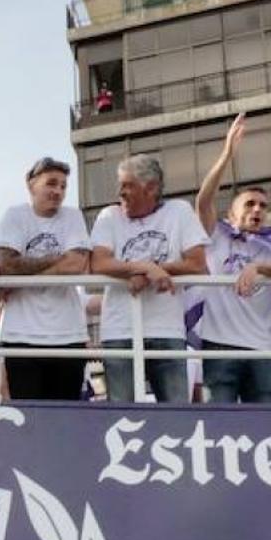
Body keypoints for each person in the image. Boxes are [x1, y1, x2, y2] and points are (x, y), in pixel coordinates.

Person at [192, 115, 271, 404]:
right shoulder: (217, 234)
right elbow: (203, 201)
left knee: (264, 426)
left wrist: (258, 267)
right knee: (220, 425)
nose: (257, 210)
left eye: (263, 206)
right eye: (250, 204)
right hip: (220, 346)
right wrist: (228, 153)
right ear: (231, 212)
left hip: (262, 347)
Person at [89, 153, 208, 403]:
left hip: (167, 329)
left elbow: (197, 264)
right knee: (120, 416)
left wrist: (148, 272)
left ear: (151, 187)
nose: (119, 191)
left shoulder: (179, 211)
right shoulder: (109, 215)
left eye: (127, 185)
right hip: (119, 330)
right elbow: (99, 262)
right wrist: (146, 268)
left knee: (176, 416)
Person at [0, 157, 94, 400]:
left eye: (63, 186)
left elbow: (76, 264)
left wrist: (23, 277)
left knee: (65, 422)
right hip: (21, 336)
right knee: (29, 422)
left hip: (68, 336)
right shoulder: (15, 215)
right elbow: (6, 264)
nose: (58, 191)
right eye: (51, 183)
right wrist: (56, 258)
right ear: (31, 185)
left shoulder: (72, 216)